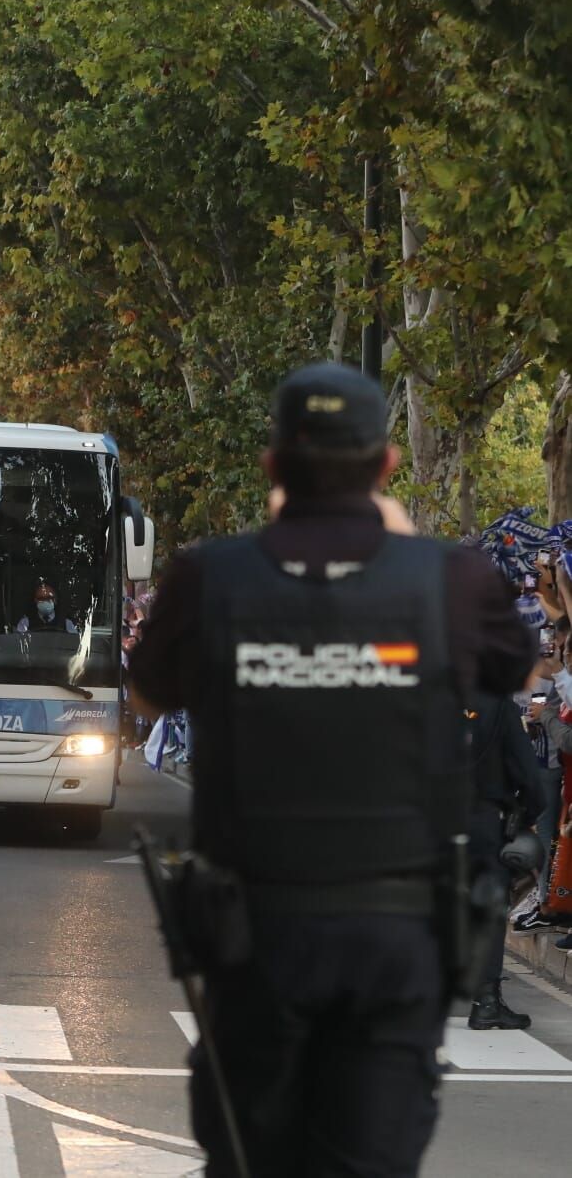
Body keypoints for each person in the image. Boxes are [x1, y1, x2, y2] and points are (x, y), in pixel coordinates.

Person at [128, 362, 536, 1177]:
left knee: (248, 1157)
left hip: (256, 936)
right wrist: (406, 555)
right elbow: (514, 671)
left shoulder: (210, 575)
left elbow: (145, 698)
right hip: (394, 940)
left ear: (271, 466)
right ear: (385, 465)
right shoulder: (447, 580)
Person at [464, 691, 547, 1030]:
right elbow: (529, 775)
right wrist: (524, 816)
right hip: (484, 819)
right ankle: (485, 1001)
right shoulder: (497, 704)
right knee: (489, 908)